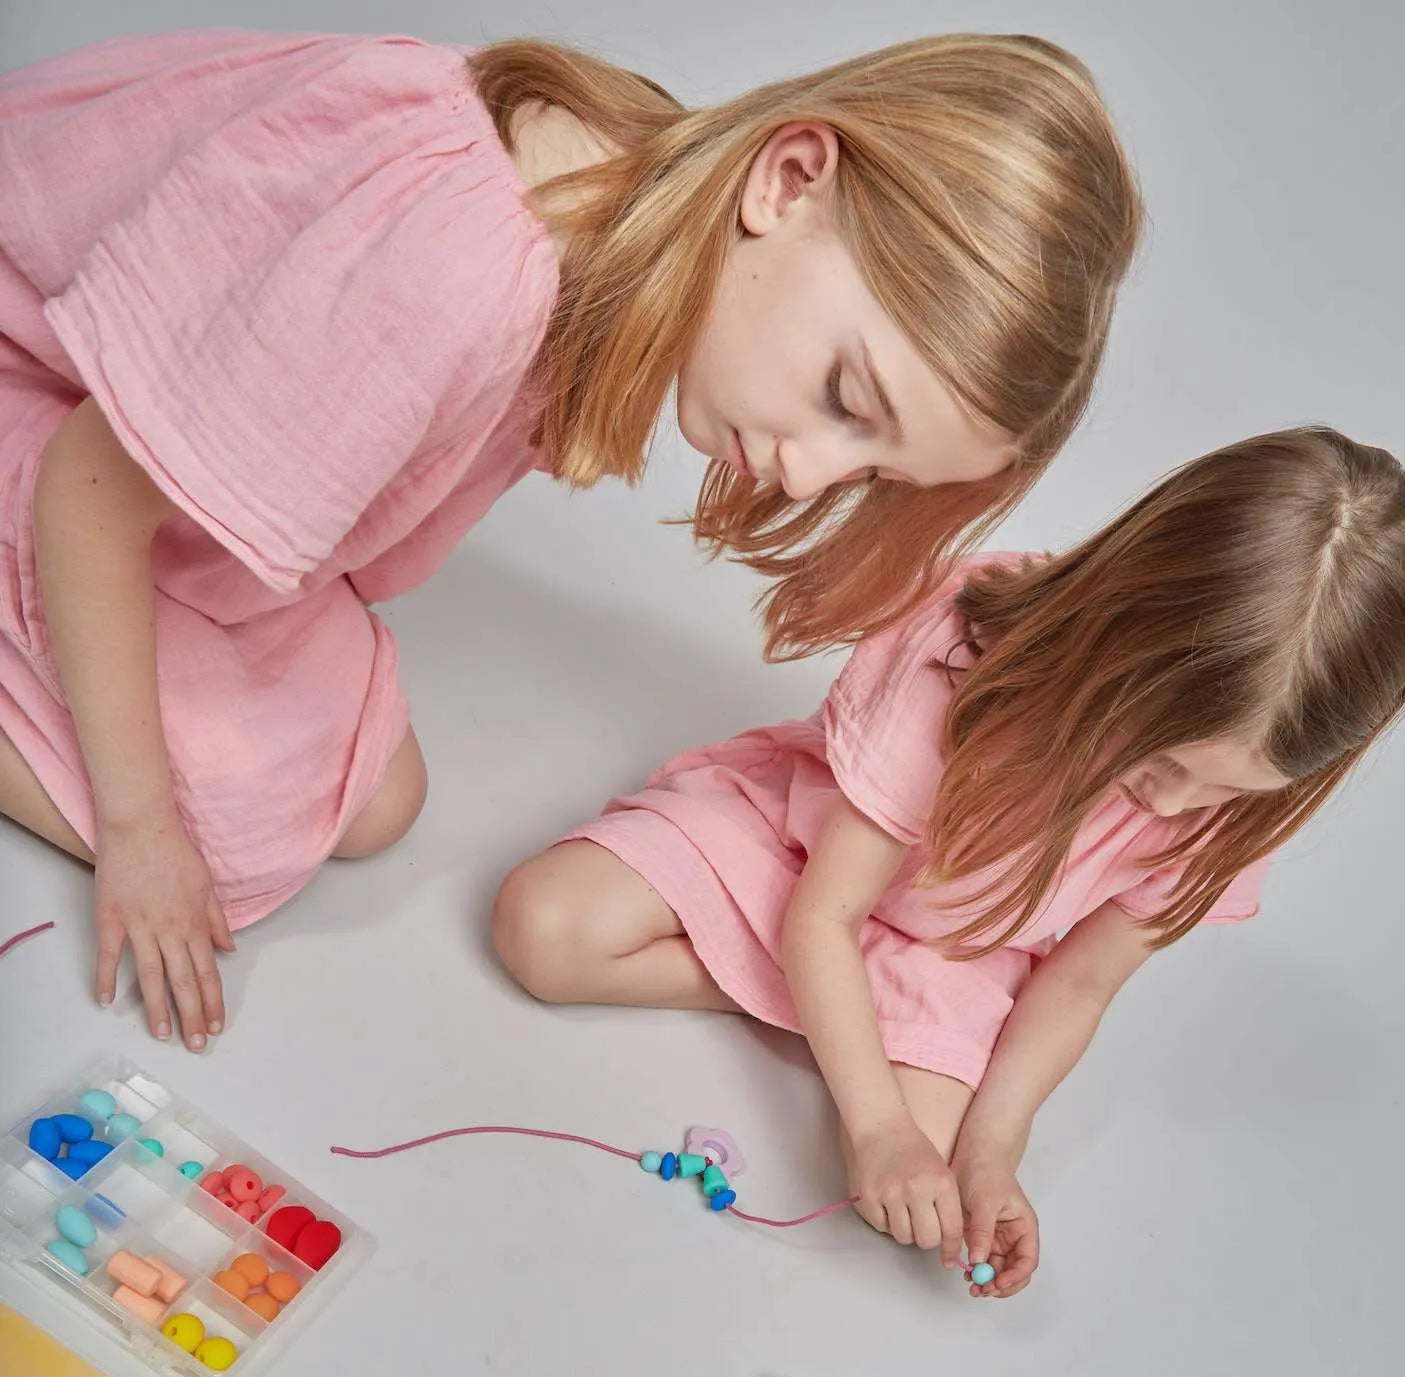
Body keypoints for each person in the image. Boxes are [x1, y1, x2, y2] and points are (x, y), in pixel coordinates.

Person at [0, 29, 1140, 1052]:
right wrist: (142, 830)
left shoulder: (633, 216)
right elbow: (91, 488)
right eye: (845, 394)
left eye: (873, 469)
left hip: (125, 444)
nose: (809, 473)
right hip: (53, 418)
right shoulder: (456, 271)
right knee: (226, 839)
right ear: (789, 182)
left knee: (371, 795)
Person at [493, 428, 1405, 1295]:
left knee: (932, 1192)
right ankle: (833, 1007)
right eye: (1162, 762)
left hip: (958, 956)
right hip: (810, 862)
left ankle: (843, 1009)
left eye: (1229, 790)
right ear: (1113, 636)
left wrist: (994, 1149)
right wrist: (874, 1123)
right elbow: (825, 912)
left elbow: (1077, 985)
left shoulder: (1226, 813)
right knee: (548, 932)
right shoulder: (964, 653)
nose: (1174, 804)